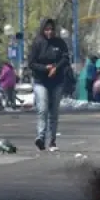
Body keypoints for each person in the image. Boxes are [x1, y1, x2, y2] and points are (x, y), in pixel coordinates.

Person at [28, 18, 70, 151]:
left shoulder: (60, 43)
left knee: (54, 112)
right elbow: (32, 63)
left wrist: (55, 68)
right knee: (42, 109)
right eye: (46, 29)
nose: (49, 32)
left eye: (51, 29)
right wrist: (46, 68)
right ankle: (40, 137)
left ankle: (52, 140)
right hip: (41, 81)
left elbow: (65, 58)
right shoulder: (37, 43)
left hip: (57, 81)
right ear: (42, 29)